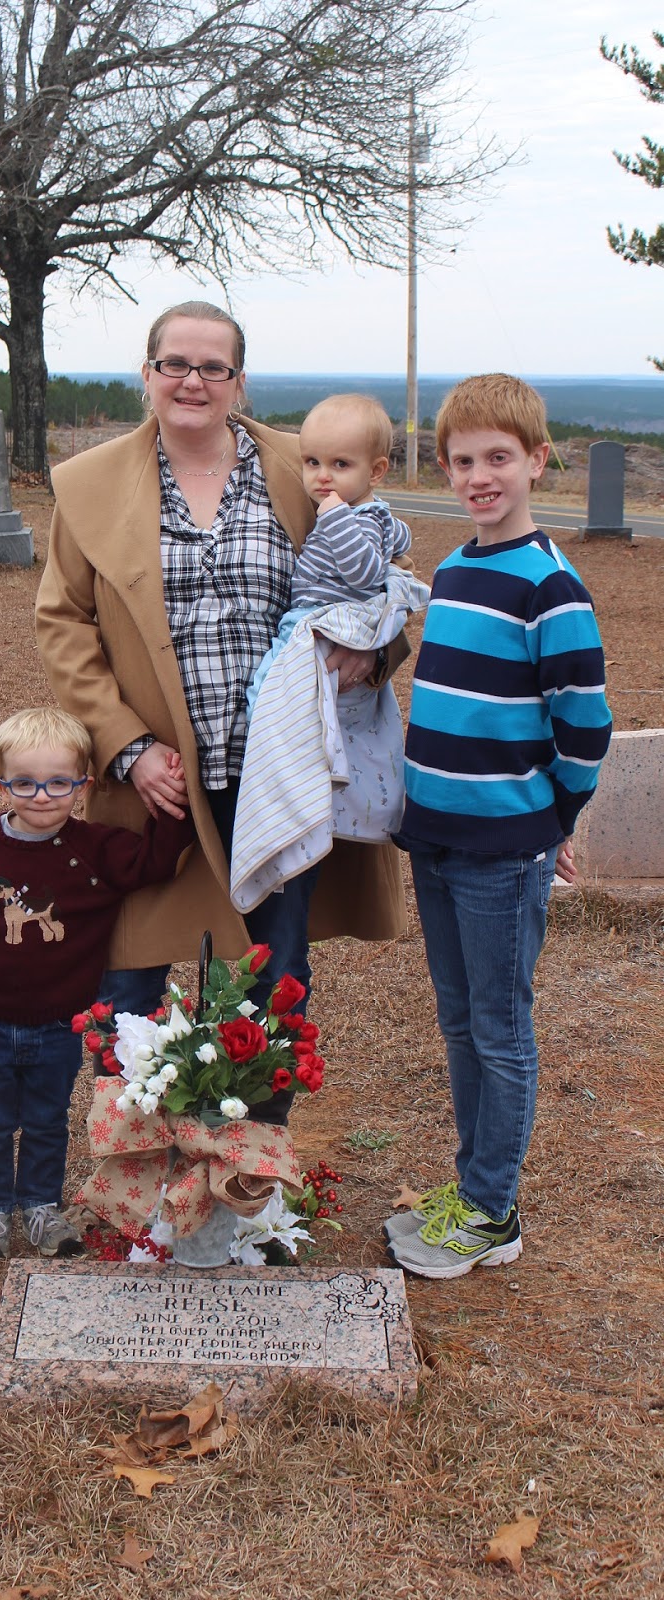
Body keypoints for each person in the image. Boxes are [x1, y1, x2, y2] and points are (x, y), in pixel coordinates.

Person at [35, 301, 407, 1123]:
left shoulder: (304, 466)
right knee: (126, 983)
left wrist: (371, 655)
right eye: (174, 364)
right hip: (157, 784)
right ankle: (135, 1168)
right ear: (147, 373)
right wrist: (127, 746)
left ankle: (247, 1167)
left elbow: (374, 585)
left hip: (280, 774)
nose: (192, 381)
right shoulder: (91, 485)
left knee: (273, 982)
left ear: (239, 381)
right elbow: (63, 622)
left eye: (213, 367)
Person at [385, 374, 612, 1279]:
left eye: (498, 458)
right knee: (456, 1021)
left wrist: (555, 819)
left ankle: (491, 1210)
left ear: (536, 461)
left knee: (498, 1028)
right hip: (435, 836)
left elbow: (583, 725)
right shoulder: (453, 571)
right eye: (462, 460)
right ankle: (472, 1186)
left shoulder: (549, 587)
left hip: (503, 848)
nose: (479, 476)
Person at [0, 708, 194, 1261]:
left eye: (58, 783)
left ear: (83, 785)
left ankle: (42, 1206)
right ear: (2, 783)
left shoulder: (96, 850)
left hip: (60, 1021)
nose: (41, 796)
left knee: (47, 1120)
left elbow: (155, 863)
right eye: (24, 783)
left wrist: (172, 801)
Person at [229, 393, 430, 912]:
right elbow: (396, 534)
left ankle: (266, 738)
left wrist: (336, 516)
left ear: (376, 470)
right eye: (313, 462)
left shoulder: (348, 516)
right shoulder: (369, 514)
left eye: (340, 465)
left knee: (271, 692)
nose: (322, 477)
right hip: (312, 614)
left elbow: (365, 573)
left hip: (318, 621)